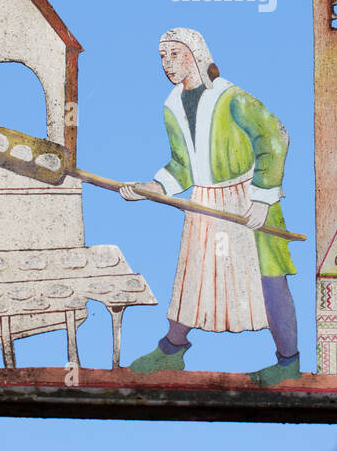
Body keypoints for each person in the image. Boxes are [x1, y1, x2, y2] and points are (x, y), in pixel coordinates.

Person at [119, 28, 299, 386]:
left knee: (269, 279)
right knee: (193, 273)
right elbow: (182, 164)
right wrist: (153, 187)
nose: (167, 63)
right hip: (205, 202)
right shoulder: (171, 105)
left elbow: (275, 136)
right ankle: (172, 349)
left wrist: (263, 199)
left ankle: (288, 363)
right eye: (162, 56)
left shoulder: (231, 97)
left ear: (196, 53)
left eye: (175, 53)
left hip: (249, 197)